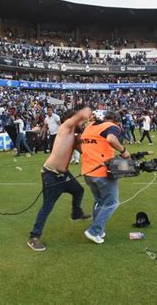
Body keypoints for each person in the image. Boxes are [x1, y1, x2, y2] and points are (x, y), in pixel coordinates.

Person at [27, 108, 92, 252]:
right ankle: (34, 237)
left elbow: (85, 151)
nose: (82, 123)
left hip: (64, 175)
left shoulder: (73, 136)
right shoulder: (64, 128)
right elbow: (83, 113)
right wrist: (87, 111)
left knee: (78, 190)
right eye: (79, 121)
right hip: (51, 175)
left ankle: (76, 213)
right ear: (72, 119)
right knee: (47, 207)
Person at [80, 111, 131, 244]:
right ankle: (94, 231)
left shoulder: (89, 127)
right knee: (112, 202)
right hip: (102, 171)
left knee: (99, 201)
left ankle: (99, 231)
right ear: (115, 120)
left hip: (87, 171)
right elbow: (111, 139)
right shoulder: (110, 126)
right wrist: (124, 151)